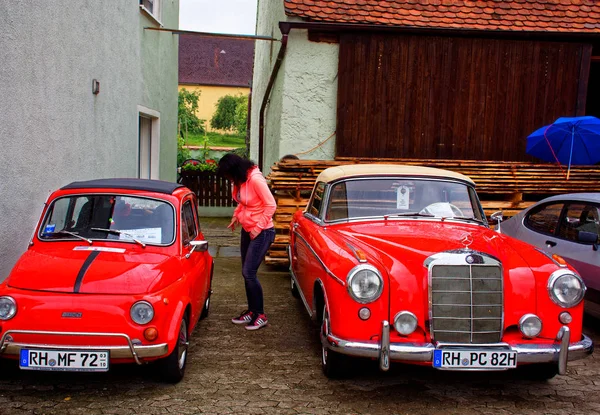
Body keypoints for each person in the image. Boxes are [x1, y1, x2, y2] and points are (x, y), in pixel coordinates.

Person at [217, 153, 277, 331]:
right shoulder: (239, 180)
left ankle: (260, 315)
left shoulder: (256, 180)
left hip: (263, 232)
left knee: (249, 272)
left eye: (228, 175)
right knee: (246, 273)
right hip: (247, 230)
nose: (227, 179)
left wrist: (258, 228)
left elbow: (271, 205)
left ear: (235, 171)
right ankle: (252, 311)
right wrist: (237, 216)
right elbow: (243, 202)